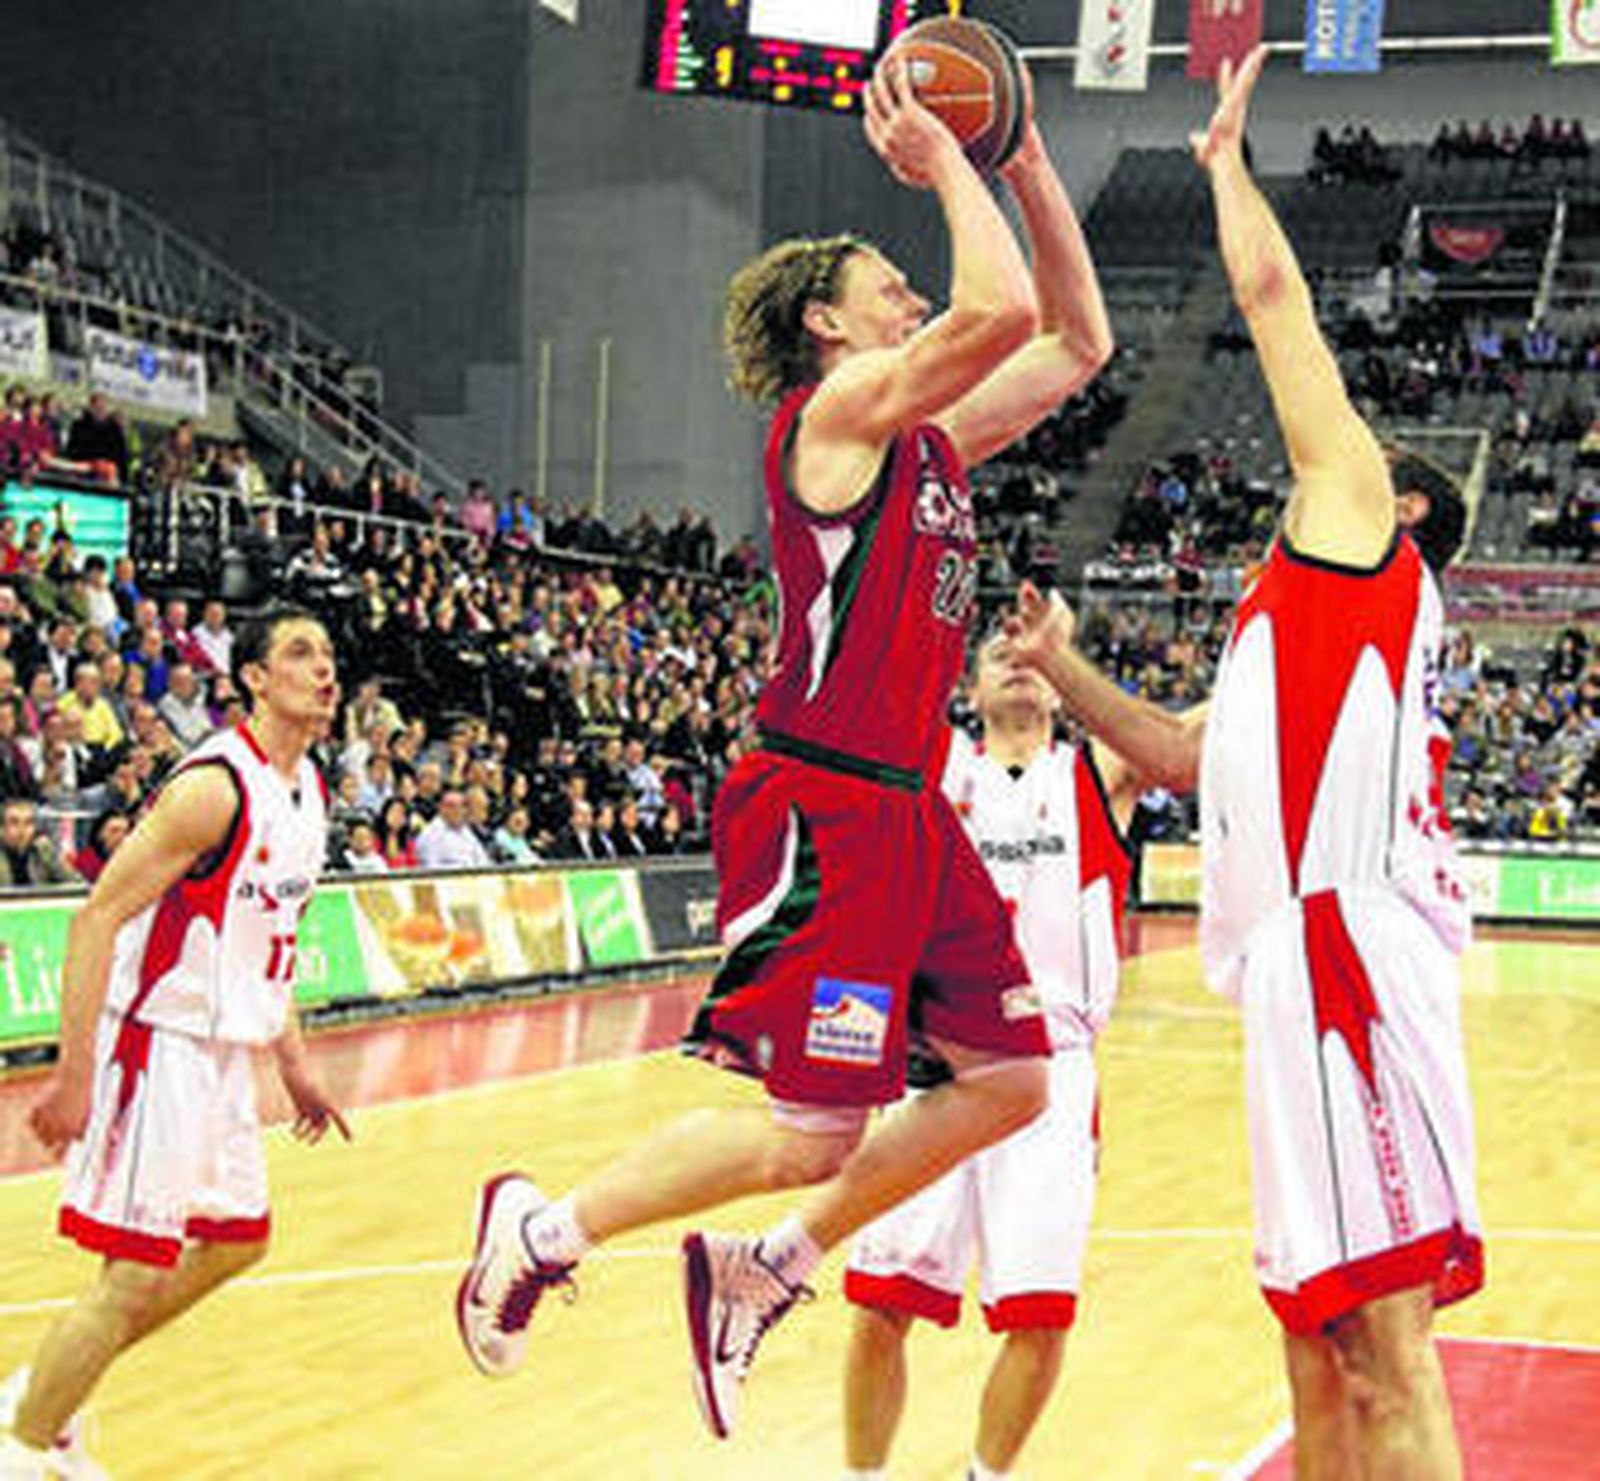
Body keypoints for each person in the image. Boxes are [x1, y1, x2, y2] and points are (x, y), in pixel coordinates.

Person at [454, 46, 1113, 1444]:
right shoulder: (833, 418)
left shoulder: (926, 440)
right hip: (824, 802)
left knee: (1011, 1081)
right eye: (889, 288)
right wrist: (948, 157)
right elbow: (996, 308)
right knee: (806, 1132)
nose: (915, 298)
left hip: (909, 809)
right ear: (829, 321)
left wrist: (1031, 159)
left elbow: (1074, 344)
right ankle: (542, 1230)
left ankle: (773, 1267)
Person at [1003, 49, 1481, 1478]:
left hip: (1347, 963)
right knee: (1315, 1349)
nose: (1330, 445)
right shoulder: (1296, 632)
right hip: (1292, 971)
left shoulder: (1360, 540)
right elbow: (1172, 752)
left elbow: (1274, 306)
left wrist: (1223, 166)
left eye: (1361, 448)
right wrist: (1057, 665)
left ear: (1396, 504)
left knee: (1388, 1359)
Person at [0, 608, 351, 1477]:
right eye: (300, 654)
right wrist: (74, 1073)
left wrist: (295, 1067)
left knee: (238, 1238)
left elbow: (271, 950)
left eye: (329, 656)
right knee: (130, 1275)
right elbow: (98, 916)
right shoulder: (214, 786)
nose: (323, 670)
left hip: (225, 1053)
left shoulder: (310, 794)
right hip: (158, 1043)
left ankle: (49, 1393)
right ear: (255, 679)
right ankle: (19, 1442)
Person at [841, 629, 1142, 1481]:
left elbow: (1176, 737)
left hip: (1050, 1068)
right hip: (937, 1063)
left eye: (1030, 656)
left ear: (1057, 687)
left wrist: (1064, 654)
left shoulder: (1093, 774)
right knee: (881, 1300)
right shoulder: (936, 771)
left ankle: (987, 1474)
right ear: (967, 691)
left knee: (1038, 1313)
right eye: (995, 654)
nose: (1014, 659)